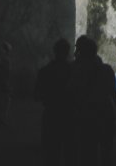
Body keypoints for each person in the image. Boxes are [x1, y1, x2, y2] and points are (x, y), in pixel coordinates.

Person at [68, 35, 116, 165]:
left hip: (86, 115)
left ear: (80, 52)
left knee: (88, 152)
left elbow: (71, 95)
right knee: (106, 152)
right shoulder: (106, 70)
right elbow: (114, 93)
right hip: (106, 113)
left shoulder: (75, 70)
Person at [35, 38, 73, 166]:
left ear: (54, 51)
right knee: (69, 152)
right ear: (68, 52)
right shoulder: (73, 71)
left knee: (51, 152)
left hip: (51, 114)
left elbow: (37, 95)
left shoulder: (44, 71)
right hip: (69, 115)